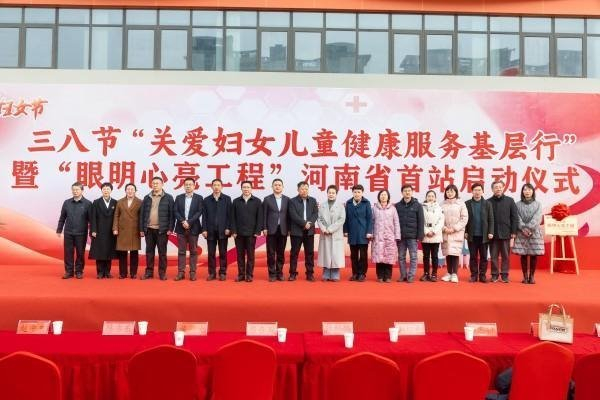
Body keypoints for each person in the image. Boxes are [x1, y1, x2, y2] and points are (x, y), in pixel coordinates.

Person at [139, 177, 175, 280]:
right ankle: (149, 272)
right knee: (149, 252)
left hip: (162, 230)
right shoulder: (147, 197)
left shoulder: (168, 198)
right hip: (149, 229)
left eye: (157, 183)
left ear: (162, 184)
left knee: (162, 253)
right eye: (153, 183)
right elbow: (142, 214)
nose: (155, 185)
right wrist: (141, 229)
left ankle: (162, 273)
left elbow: (172, 215)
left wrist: (170, 228)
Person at [56, 181, 91, 279]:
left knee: (80, 253)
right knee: (68, 253)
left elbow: (91, 220)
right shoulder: (67, 202)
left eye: (77, 190)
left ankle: (79, 271)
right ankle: (69, 271)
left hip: (81, 233)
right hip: (68, 232)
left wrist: (92, 232)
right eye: (73, 190)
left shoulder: (88, 204)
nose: (75, 191)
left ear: (82, 190)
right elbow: (62, 217)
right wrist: (59, 229)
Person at [231, 181, 263, 282]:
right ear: (241, 188)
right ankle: (241, 274)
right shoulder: (236, 201)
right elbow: (232, 218)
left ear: (251, 188)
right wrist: (233, 231)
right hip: (238, 233)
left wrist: (258, 231)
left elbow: (260, 218)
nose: (246, 189)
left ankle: (249, 275)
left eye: (248, 187)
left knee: (250, 255)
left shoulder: (257, 201)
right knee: (240, 255)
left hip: (251, 233)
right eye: (244, 187)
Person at [512, 183, 544, 284]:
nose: (527, 191)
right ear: (522, 192)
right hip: (521, 233)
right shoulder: (517, 204)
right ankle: (525, 277)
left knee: (534, 254)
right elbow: (517, 218)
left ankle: (532, 276)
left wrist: (529, 228)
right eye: (525, 190)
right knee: (523, 254)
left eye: (529, 190)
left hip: (534, 232)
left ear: (533, 191)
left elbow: (537, 218)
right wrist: (523, 228)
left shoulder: (538, 204)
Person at [202, 178, 232, 281]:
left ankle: (222, 272)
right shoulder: (206, 200)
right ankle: (212, 273)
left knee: (223, 253)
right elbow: (204, 216)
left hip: (223, 231)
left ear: (222, 187)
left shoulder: (227, 199)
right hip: (210, 231)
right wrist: (204, 229)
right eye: (214, 185)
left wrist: (228, 227)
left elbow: (229, 215)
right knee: (211, 253)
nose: (216, 187)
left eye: (218, 185)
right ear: (211, 187)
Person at [488, 180, 519, 283]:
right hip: (493, 234)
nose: (498, 189)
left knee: (506, 256)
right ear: (492, 189)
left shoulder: (510, 201)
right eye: (496, 187)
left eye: (500, 187)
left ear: (503, 188)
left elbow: (514, 217)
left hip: (506, 233)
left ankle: (505, 275)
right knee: (493, 256)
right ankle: (494, 275)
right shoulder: (488, 202)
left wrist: (513, 232)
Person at [288, 181, 318, 281]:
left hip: (309, 231)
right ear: (298, 190)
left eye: (306, 189)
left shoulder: (313, 200)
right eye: (302, 189)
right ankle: (292, 274)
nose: (304, 191)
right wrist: (304, 223)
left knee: (309, 253)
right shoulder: (292, 201)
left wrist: (310, 224)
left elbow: (315, 214)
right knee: (294, 253)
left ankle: (310, 274)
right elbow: (293, 215)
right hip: (296, 231)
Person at [174, 178, 203, 281]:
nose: (188, 186)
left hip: (194, 227)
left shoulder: (199, 198)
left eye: (190, 184)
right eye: (186, 184)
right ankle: (181, 272)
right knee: (181, 251)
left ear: (194, 186)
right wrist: (183, 221)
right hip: (181, 227)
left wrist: (189, 222)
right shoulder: (179, 197)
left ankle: (192, 272)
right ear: (184, 186)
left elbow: (199, 212)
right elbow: (175, 211)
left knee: (193, 251)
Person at [464, 182, 494, 283]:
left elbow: (491, 219)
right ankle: (473, 275)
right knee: (473, 256)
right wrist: (465, 231)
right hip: (472, 235)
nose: (477, 192)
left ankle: (482, 275)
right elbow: (464, 219)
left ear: (482, 191)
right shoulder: (467, 203)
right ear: (472, 192)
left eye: (479, 190)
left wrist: (490, 232)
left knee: (484, 257)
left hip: (484, 235)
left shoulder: (487, 204)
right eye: (475, 190)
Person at [395, 184, 424, 283]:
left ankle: (411, 276)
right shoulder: (397, 206)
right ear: (402, 193)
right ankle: (403, 275)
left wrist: (420, 236)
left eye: (409, 190)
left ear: (412, 192)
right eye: (405, 191)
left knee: (413, 257)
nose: (407, 192)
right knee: (401, 257)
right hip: (401, 236)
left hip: (413, 236)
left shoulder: (418, 205)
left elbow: (421, 221)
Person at [112, 183, 142, 279]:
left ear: (135, 191)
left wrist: (141, 230)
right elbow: (116, 215)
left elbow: (142, 217)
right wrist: (115, 228)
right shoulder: (120, 202)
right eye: (128, 189)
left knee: (134, 253)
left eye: (132, 189)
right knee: (122, 253)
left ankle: (133, 273)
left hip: (134, 230)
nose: (130, 191)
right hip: (122, 230)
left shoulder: (140, 202)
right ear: (125, 191)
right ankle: (123, 273)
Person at [343, 184, 373, 282]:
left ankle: (362, 274)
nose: (357, 194)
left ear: (362, 193)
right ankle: (355, 273)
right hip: (352, 232)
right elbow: (346, 218)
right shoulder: (349, 203)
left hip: (363, 233)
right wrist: (345, 230)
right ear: (352, 193)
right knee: (353, 255)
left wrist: (369, 231)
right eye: (355, 192)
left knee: (363, 256)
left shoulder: (366, 203)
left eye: (359, 192)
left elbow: (369, 218)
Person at [262, 178, 290, 282]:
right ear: (272, 187)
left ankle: (279, 273)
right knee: (270, 253)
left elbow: (289, 216)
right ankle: (272, 274)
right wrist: (264, 227)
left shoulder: (287, 199)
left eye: (279, 185)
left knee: (281, 253)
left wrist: (289, 229)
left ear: (282, 187)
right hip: (271, 229)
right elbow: (264, 214)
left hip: (283, 229)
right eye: (275, 185)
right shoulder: (267, 199)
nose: (277, 186)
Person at [317, 185, 346, 281]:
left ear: (336, 194)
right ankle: (326, 273)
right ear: (327, 193)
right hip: (325, 233)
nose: (331, 194)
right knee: (326, 254)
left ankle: (335, 274)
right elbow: (319, 219)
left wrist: (330, 229)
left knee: (335, 255)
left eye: (333, 193)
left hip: (335, 233)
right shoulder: (322, 205)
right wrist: (324, 229)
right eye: (329, 192)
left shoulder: (341, 206)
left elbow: (341, 219)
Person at [89, 182, 118, 279]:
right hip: (99, 230)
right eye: (104, 189)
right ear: (101, 190)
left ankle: (107, 272)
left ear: (111, 190)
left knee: (109, 251)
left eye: (108, 189)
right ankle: (100, 272)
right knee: (99, 251)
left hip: (111, 231)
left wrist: (116, 229)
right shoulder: (96, 202)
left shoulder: (115, 202)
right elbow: (93, 217)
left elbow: (117, 217)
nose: (106, 191)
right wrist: (93, 230)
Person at [440, 184, 469, 283]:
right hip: (446, 232)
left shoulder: (461, 204)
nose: (449, 193)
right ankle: (448, 273)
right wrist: (444, 228)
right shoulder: (442, 204)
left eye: (452, 191)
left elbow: (464, 218)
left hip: (456, 232)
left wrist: (454, 228)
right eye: (448, 191)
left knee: (455, 253)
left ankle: (454, 274)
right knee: (448, 253)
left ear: (456, 192)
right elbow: (439, 218)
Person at [371, 189, 400, 283]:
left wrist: (397, 235)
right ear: (379, 197)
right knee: (379, 256)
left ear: (388, 197)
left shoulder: (393, 208)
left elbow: (396, 222)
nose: (383, 197)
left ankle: (388, 276)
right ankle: (380, 276)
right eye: (381, 195)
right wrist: (371, 234)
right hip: (378, 236)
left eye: (385, 195)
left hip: (389, 236)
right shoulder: (374, 208)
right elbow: (372, 222)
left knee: (389, 256)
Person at [421, 190, 444, 282]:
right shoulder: (421, 208)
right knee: (426, 256)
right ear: (426, 197)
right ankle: (426, 273)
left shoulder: (439, 208)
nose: (430, 198)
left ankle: (434, 274)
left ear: (435, 198)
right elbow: (420, 221)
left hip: (436, 235)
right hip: (425, 235)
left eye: (432, 196)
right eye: (429, 196)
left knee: (434, 256)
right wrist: (426, 231)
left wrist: (434, 231)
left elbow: (441, 221)